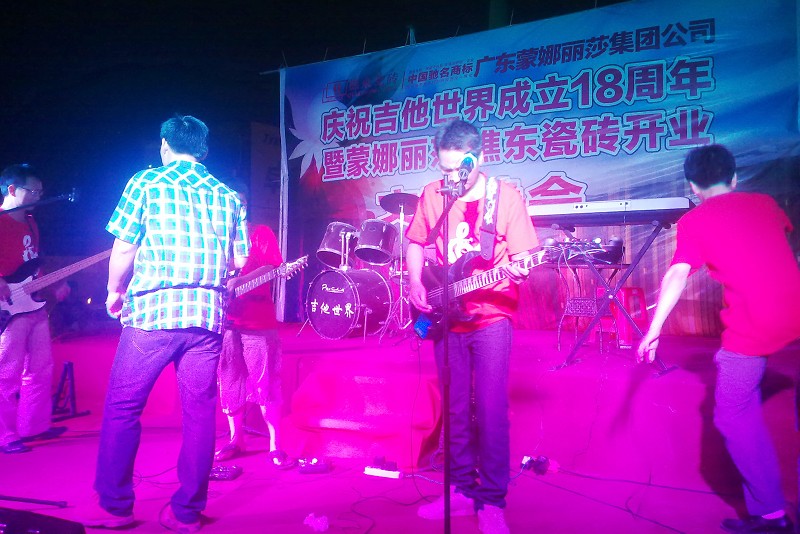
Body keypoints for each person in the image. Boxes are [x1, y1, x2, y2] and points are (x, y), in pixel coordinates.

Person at [81, 116, 249, 532]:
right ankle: (187, 512)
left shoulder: (146, 182)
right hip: (206, 318)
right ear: (203, 149)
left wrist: (113, 291)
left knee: (123, 407)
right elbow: (240, 260)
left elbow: (124, 246)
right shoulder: (229, 196)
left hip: (152, 315)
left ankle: (116, 508)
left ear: (164, 145)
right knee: (199, 413)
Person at [637, 144, 800, 534]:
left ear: (693, 187)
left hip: (752, 326)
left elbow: (677, 274)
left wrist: (654, 329)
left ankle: (771, 515)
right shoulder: (765, 203)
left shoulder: (695, 221)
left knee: (733, 413)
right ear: (735, 177)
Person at [405, 119, 539, 534]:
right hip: (446, 318)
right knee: (455, 408)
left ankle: (492, 500)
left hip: (491, 318)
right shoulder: (433, 194)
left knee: (492, 409)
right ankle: (461, 491)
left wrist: (519, 269)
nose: (452, 178)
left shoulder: (506, 197)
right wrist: (414, 282)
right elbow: (415, 242)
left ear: (478, 158)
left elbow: (524, 257)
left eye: (459, 170)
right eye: (445, 170)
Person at [214, 183, 294, 469]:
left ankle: (275, 444)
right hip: (225, 323)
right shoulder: (214, 235)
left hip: (258, 320)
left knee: (265, 381)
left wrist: (241, 281)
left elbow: (273, 266)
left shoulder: (260, 233)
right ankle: (236, 439)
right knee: (229, 380)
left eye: (241, 203)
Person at [0, 163, 68, 454]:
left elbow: (33, 262)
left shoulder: (30, 222)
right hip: (8, 310)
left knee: (40, 368)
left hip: (33, 304)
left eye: (41, 192)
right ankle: (5, 434)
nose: (39, 196)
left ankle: (34, 425)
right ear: (12, 189)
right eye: (33, 191)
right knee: (6, 373)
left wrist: (53, 284)